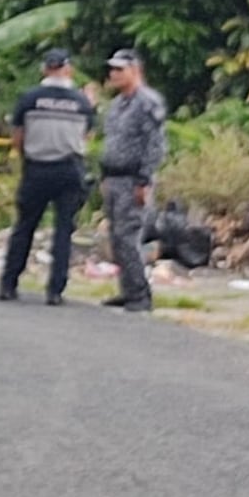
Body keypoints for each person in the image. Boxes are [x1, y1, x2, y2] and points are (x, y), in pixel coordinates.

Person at [0, 48, 96, 306]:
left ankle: (8, 284)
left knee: (24, 227)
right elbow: (86, 137)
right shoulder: (82, 102)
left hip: (36, 169)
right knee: (63, 231)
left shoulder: (29, 99)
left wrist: (28, 157)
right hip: (69, 170)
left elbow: (18, 138)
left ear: (44, 69)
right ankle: (55, 291)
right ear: (68, 69)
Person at [99, 48, 167, 312]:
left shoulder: (147, 102)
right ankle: (127, 290)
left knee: (129, 236)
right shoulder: (117, 104)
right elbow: (111, 143)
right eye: (112, 69)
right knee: (116, 238)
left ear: (135, 70)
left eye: (119, 69)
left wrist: (144, 180)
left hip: (133, 179)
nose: (113, 74)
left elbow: (155, 145)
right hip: (114, 178)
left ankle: (140, 294)